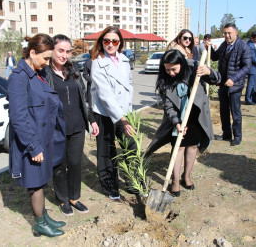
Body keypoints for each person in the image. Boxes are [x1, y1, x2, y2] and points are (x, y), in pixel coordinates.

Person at [7, 34, 66, 237]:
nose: (48, 63)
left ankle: (44, 217)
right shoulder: (18, 77)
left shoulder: (36, 73)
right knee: (35, 185)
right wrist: (33, 146)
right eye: (46, 58)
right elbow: (18, 117)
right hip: (31, 141)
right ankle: (40, 223)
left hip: (42, 138)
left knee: (41, 180)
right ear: (32, 53)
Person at [145, 49, 221, 196]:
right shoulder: (164, 80)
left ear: (181, 63)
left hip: (196, 116)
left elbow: (217, 79)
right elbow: (169, 106)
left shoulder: (194, 68)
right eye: (167, 69)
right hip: (178, 118)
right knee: (178, 147)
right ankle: (175, 181)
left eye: (174, 69)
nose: (171, 73)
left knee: (192, 145)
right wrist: (177, 123)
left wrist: (208, 72)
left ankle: (186, 176)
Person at [43, 35, 99, 216]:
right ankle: (62, 199)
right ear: (52, 50)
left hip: (76, 126)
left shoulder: (73, 70)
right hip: (56, 128)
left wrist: (91, 119)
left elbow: (84, 97)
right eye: (60, 51)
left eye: (68, 51)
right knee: (58, 165)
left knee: (75, 163)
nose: (64, 55)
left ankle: (74, 197)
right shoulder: (44, 73)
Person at [90, 26, 137, 200]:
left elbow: (129, 87)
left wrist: (128, 115)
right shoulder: (97, 63)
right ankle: (110, 187)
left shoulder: (124, 60)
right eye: (107, 41)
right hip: (105, 114)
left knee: (131, 147)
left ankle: (134, 182)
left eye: (114, 41)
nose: (110, 44)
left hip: (124, 112)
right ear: (101, 42)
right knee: (107, 152)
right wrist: (122, 119)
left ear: (120, 43)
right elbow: (105, 96)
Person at [208, 23, 251, 146]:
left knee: (235, 112)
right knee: (223, 111)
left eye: (229, 33)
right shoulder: (224, 45)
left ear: (236, 33)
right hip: (223, 84)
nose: (227, 36)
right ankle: (226, 134)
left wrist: (234, 79)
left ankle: (237, 136)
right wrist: (209, 48)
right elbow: (215, 57)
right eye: (225, 33)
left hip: (235, 86)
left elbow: (247, 66)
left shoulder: (243, 47)